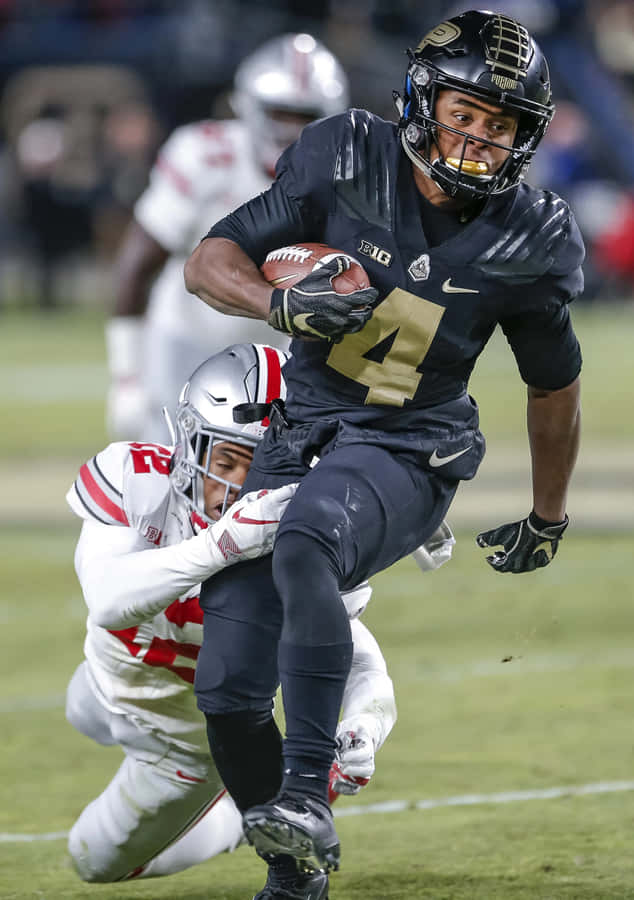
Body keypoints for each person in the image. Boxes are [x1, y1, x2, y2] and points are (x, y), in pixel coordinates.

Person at [183, 10, 583, 899]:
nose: (477, 138)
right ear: (420, 99)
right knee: (230, 688)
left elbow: (554, 386)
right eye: (464, 113)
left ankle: (307, 796)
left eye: (500, 125)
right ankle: (296, 876)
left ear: (524, 140)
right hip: (304, 428)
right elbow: (209, 258)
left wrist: (548, 515)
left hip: (414, 444)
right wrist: (277, 306)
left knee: (308, 540)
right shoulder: (344, 153)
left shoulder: (531, 234)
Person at [65, 342, 452, 884]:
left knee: (90, 861)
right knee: (79, 709)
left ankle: (238, 817)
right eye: (226, 460)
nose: (238, 487)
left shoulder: (298, 538)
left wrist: (367, 722)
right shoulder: (137, 478)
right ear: (187, 441)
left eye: (263, 465)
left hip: (182, 746)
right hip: (107, 675)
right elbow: (106, 598)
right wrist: (221, 545)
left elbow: (354, 655)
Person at [106, 32, 349, 441]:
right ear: (250, 105)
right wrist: (126, 377)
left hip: (280, 353)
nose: (290, 127)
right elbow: (138, 262)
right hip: (187, 338)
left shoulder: (349, 174)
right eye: (280, 112)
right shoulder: (203, 154)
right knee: (169, 473)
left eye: (303, 114)